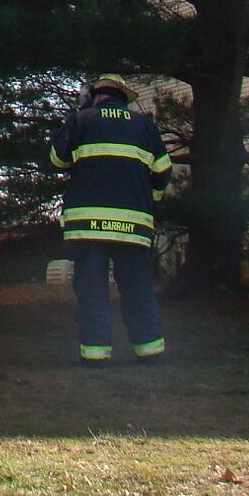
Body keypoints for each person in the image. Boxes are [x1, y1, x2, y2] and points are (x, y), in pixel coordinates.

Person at [49, 73, 172, 364]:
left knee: (92, 290)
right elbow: (163, 172)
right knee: (137, 288)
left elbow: (57, 159)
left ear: (94, 96)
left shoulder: (83, 120)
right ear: (124, 98)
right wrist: (148, 200)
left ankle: (95, 356)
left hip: (88, 226)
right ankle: (150, 353)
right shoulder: (144, 126)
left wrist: (77, 115)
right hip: (133, 226)